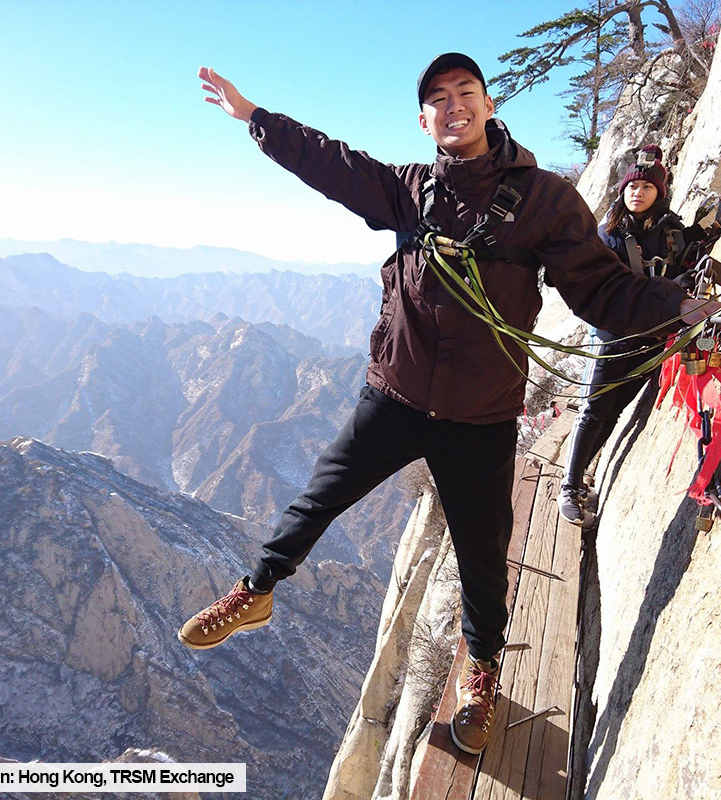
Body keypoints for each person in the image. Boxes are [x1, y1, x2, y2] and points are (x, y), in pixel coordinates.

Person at [178, 54, 718, 756]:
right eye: (438, 98)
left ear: (490, 105)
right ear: (424, 119)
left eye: (467, 92)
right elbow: (334, 164)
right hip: (396, 394)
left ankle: (482, 672)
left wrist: (680, 305)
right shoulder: (410, 190)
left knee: (482, 553)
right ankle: (257, 590)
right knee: (318, 496)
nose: (453, 105)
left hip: (480, 413)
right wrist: (257, 119)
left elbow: (602, 289)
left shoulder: (545, 200)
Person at [557, 145, 706, 525]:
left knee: (617, 405)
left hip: (652, 335)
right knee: (595, 407)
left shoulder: (672, 232)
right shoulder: (608, 235)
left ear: (660, 193)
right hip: (614, 333)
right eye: (632, 187)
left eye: (646, 187)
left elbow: (686, 267)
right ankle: (569, 487)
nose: (637, 193)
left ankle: (583, 473)